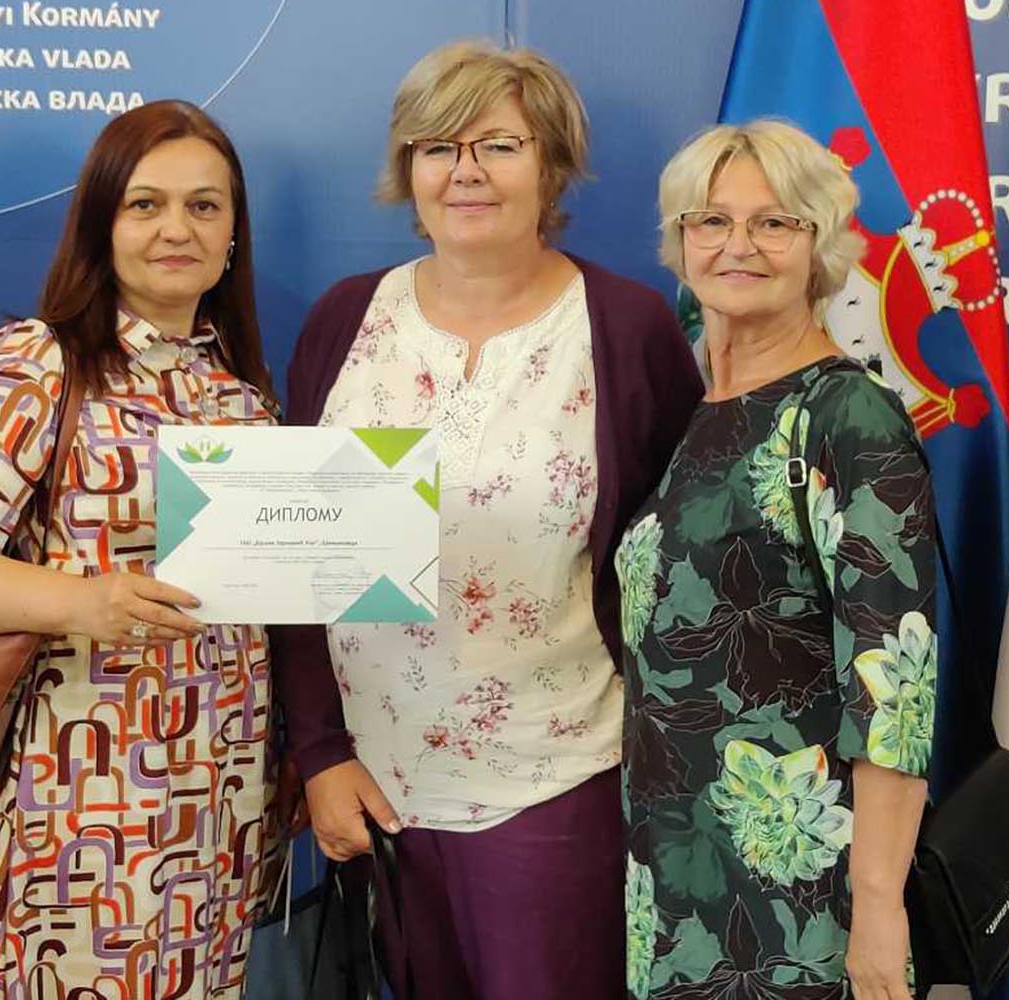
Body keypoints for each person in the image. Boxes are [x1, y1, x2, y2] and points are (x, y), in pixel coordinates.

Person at [274, 40, 703, 999]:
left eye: (499, 146)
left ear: (551, 165)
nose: (465, 171)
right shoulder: (345, 320)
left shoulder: (626, 327)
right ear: (409, 170)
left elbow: (673, 566)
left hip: (555, 776)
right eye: (438, 147)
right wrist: (321, 753)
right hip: (375, 788)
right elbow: (294, 561)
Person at [0, 99, 284, 999]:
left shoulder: (241, 397)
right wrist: (86, 600)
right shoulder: (34, 363)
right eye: (145, 204)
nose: (177, 229)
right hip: (78, 808)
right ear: (102, 223)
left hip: (221, 807)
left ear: (234, 232)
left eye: (204, 206)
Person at [617, 119, 937, 1000]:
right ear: (681, 240)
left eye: (774, 223)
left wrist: (879, 905)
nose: (739, 245)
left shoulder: (847, 417)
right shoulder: (701, 412)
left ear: (819, 244)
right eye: (712, 221)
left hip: (804, 893)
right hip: (676, 879)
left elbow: (896, 691)